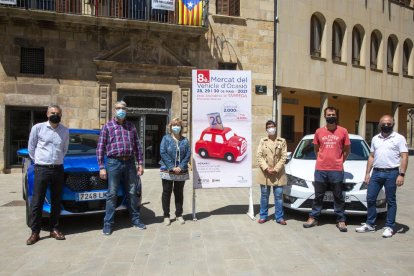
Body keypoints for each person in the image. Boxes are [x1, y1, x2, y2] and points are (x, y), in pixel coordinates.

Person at [356, 115, 409, 238]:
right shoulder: (375, 138)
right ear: (379, 125)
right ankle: (370, 224)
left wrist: (401, 174)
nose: (386, 125)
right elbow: (371, 156)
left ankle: (389, 226)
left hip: (392, 173)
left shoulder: (399, 138)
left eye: (389, 123)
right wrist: (367, 173)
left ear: (393, 124)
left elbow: (405, 156)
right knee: (370, 198)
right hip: (376, 173)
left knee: (390, 200)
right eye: (383, 123)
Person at [97, 100, 146, 235]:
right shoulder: (107, 126)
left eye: (123, 108)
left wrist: (140, 164)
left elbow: (137, 147)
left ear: (126, 110)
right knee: (112, 194)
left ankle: (135, 219)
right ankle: (108, 223)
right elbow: (100, 148)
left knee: (132, 192)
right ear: (114, 110)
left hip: (130, 163)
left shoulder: (131, 127)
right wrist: (101, 166)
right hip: (114, 163)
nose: (121, 110)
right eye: (118, 108)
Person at [26, 104, 69, 245]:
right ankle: (35, 232)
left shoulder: (64, 131)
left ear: (61, 115)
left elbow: (64, 149)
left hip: (57, 169)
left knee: (56, 201)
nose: (55, 114)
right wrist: (39, 161)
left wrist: (56, 161)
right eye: (52, 112)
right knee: (37, 201)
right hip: (41, 169)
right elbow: (31, 148)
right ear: (47, 114)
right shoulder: (38, 128)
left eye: (57, 113)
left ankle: (54, 229)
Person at [303, 106, 350, 232]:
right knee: (318, 195)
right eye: (328, 115)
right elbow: (316, 149)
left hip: (336, 169)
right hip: (321, 169)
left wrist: (339, 161)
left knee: (338, 196)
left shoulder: (343, 131)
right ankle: (313, 217)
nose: (331, 117)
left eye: (333, 114)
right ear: (324, 116)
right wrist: (322, 160)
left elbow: (347, 150)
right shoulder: (319, 132)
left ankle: (341, 220)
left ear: (336, 115)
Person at [159, 118, 191, 226]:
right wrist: (171, 166)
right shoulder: (166, 138)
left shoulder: (185, 140)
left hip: (181, 170)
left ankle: (179, 214)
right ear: (170, 127)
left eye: (178, 125)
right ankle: (166, 215)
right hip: (167, 169)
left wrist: (181, 166)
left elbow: (188, 154)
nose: (175, 127)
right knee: (166, 192)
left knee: (179, 192)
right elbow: (162, 152)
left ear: (181, 127)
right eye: (174, 125)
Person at [256, 120, 288, 225]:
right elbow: (259, 156)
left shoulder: (282, 141)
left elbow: (284, 157)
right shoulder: (263, 141)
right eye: (269, 127)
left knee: (278, 196)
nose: (271, 128)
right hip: (265, 173)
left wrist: (276, 169)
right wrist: (266, 168)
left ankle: (279, 217)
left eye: (272, 126)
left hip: (278, 173)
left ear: (276, 127)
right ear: (266, 129)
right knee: (264, 196)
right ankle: (263, 216)